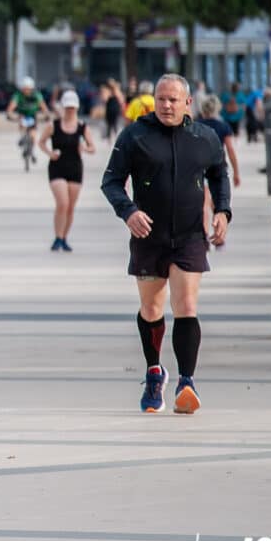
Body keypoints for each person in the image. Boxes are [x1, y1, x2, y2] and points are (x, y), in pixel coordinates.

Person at [101, 73, 230, 414]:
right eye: (161, 99)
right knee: (152, 310)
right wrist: (128, 211)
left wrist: (223, 212)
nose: (166, 105)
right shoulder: (135, 136)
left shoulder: (206, 138)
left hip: (189, 235)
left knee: (186, 305)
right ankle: (155, 371)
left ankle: (187, 381)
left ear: (188, 103)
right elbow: (111, 181)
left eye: (173, 99)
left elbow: (220, 175)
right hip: (149, 236)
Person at [39, 91, 95, 251]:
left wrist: (84, 148)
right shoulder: (53, 125)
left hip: (75, 168)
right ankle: (57, 236)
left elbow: (93, 148)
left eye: (73, 108)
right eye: (68, 107)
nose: (70, 110)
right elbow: (41, 142)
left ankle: (64, 237)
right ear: (63, 108)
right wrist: (50, 153)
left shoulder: (82, 127)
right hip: (57, 166)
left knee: (70, 206)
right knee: (62, 203)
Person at [196, 94, 243, 189]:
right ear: (217, 109)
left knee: (204, 197)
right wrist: (236, 173)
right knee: (220, 200)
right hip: (218, 166)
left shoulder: (196, 126)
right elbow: (230, 150)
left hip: (200, 167)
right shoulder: (223, 126)